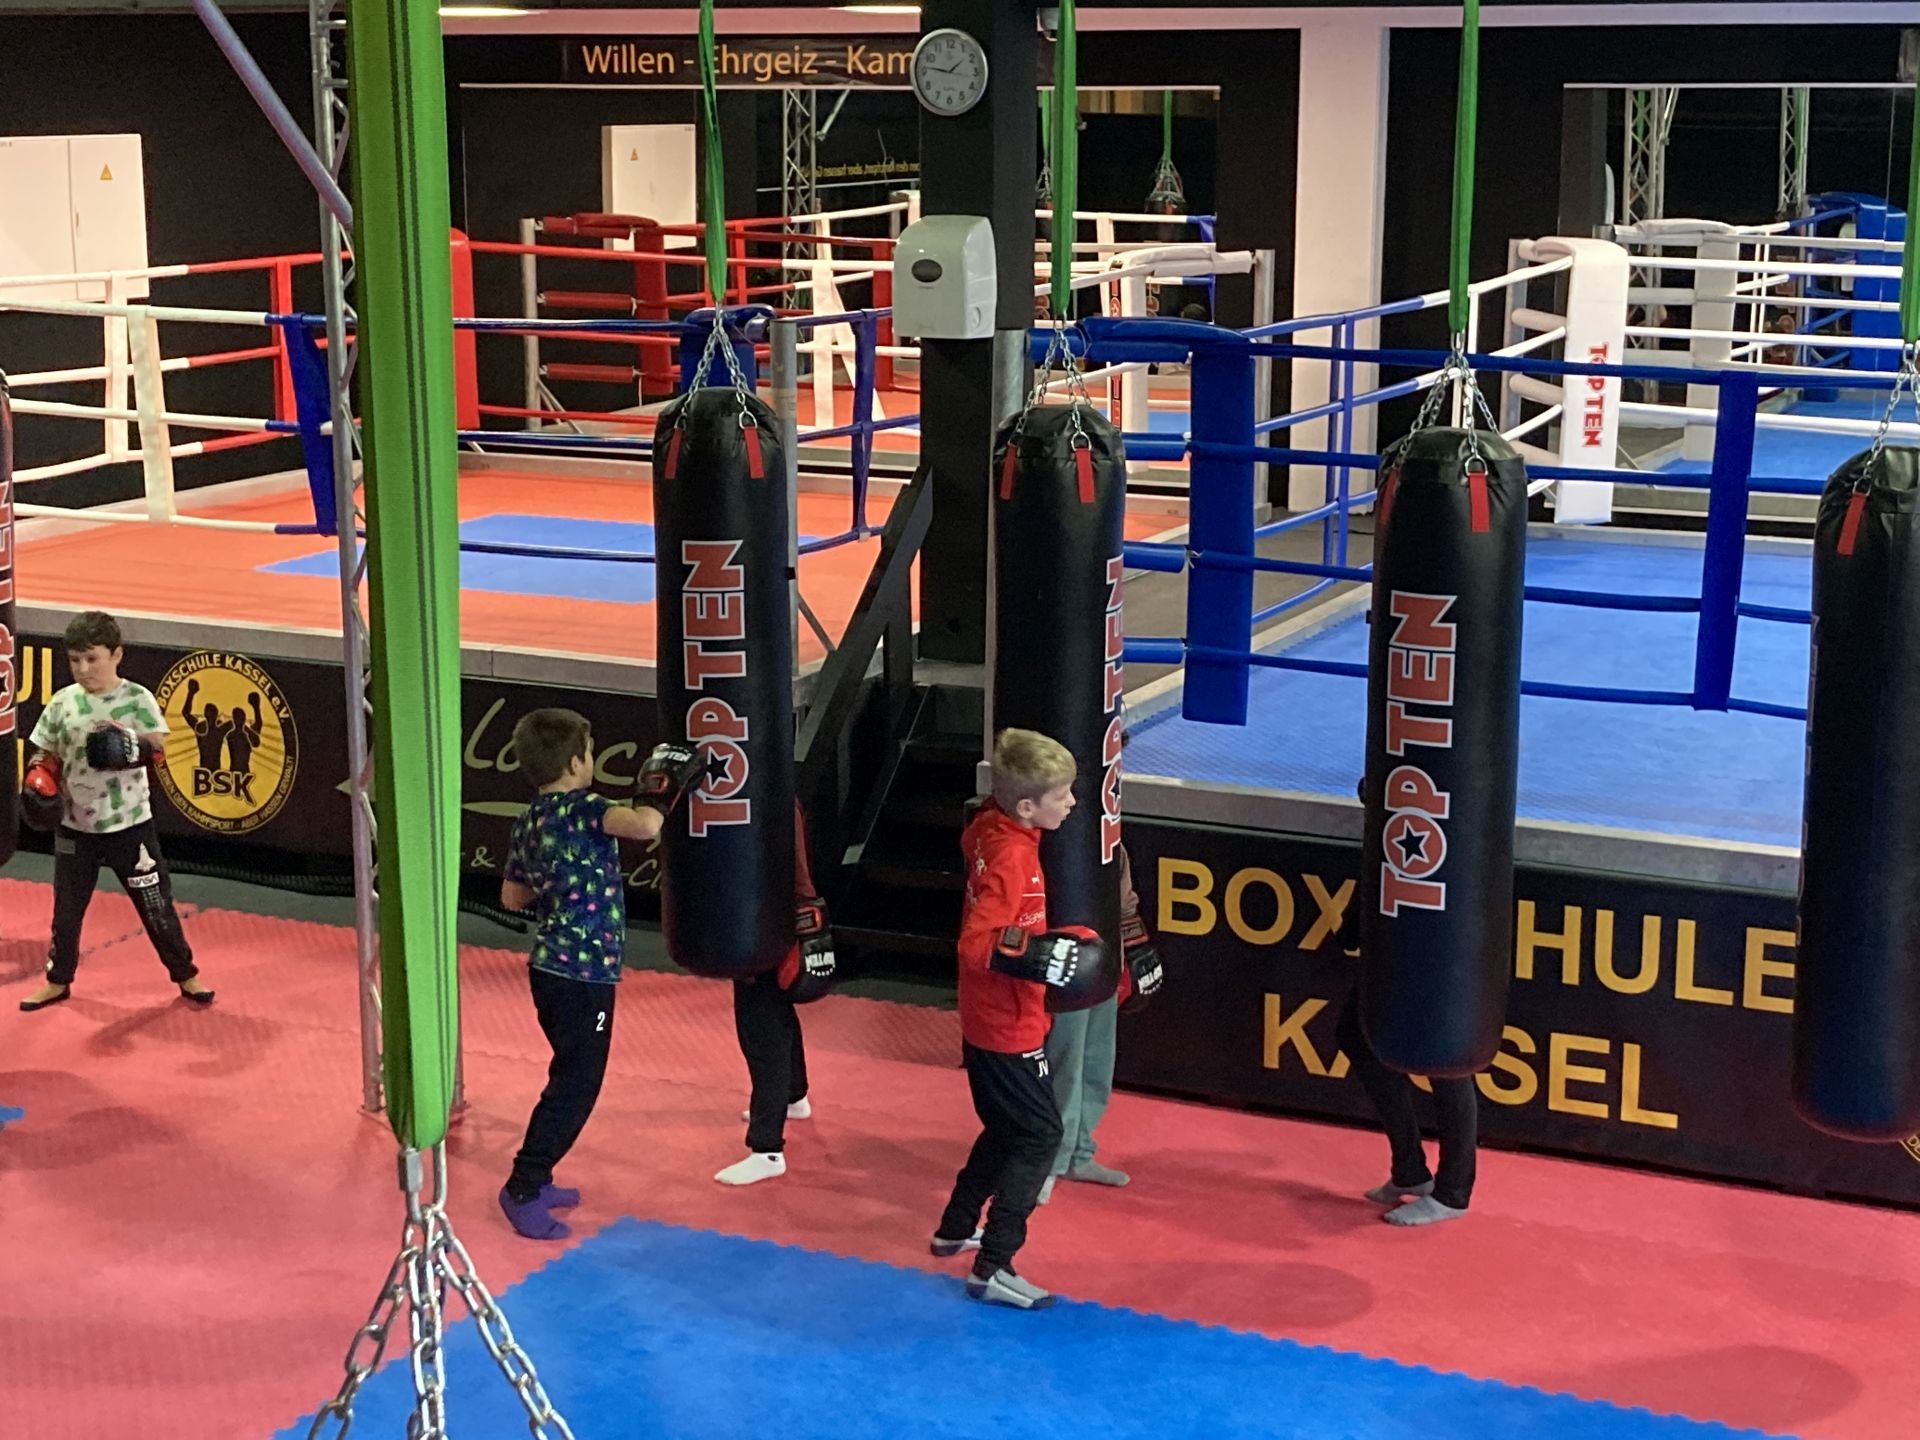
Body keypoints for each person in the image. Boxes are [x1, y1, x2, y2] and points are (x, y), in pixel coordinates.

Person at [496, 708, 703, 1240]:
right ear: (574, 763)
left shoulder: (529, 820)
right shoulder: (587, 808)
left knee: (568, 1072)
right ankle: (523, 1184)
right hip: (582, 973)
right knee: (577, 1083)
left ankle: (539, 1178)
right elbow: (646, 825)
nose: (591, 761)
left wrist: (558, 878)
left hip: (549, 968)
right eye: (589, 752)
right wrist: (663, 783)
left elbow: (512, 896)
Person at [930, 727, 1101, 1311]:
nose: (1072, 802)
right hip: (1008, 1024)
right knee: (1041, 1135)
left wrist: (1053, 938)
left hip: (986, 1015)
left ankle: (955, 1227)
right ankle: (994, 1266)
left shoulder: (991, 827)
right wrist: (1040, 955)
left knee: (1007, 1128)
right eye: (1062, 794)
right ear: (1027, 806)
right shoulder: (1013, 856)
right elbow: (977, 942)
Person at [19, 611, 211, 1013]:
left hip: (130, 826)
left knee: (155, 906)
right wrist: (39, 774)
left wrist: (130, 748)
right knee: (66, 911)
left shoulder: (137, 699)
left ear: (116, 655)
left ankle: (186, 975)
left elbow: (159, 748)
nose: (83, 669)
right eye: (75, 660)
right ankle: (57, 980)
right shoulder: (63, 702)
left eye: (92, 658)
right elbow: (45, 749)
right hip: (75, 826)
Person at [1337, 778, 1480, 1226]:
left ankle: (1453, 1190)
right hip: (1397, 931)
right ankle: (1410, 1170)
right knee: (1355, 1035)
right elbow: (1387, 852)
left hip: (1440, 939)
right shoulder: (1398, 795)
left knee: (1448, 1062)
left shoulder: (1453, 792)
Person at [1039, 725, 1164, 1204]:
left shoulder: (1104, 814)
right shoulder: (1057, 816)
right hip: (1069, 948)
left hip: (1106, 946)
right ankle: (1048, 1157)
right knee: (1066, 1055)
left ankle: (1078, 1151)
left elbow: (1120, 876)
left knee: (1096, 1054)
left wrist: (1134, 937)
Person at [715, 800, 837, 1187]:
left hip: (767, 917)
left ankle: (766, 1150)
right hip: (775, 912)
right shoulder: (777, 791)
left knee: (760, 1023)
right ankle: (793, 1096)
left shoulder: (762, 793)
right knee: (777, 1010)